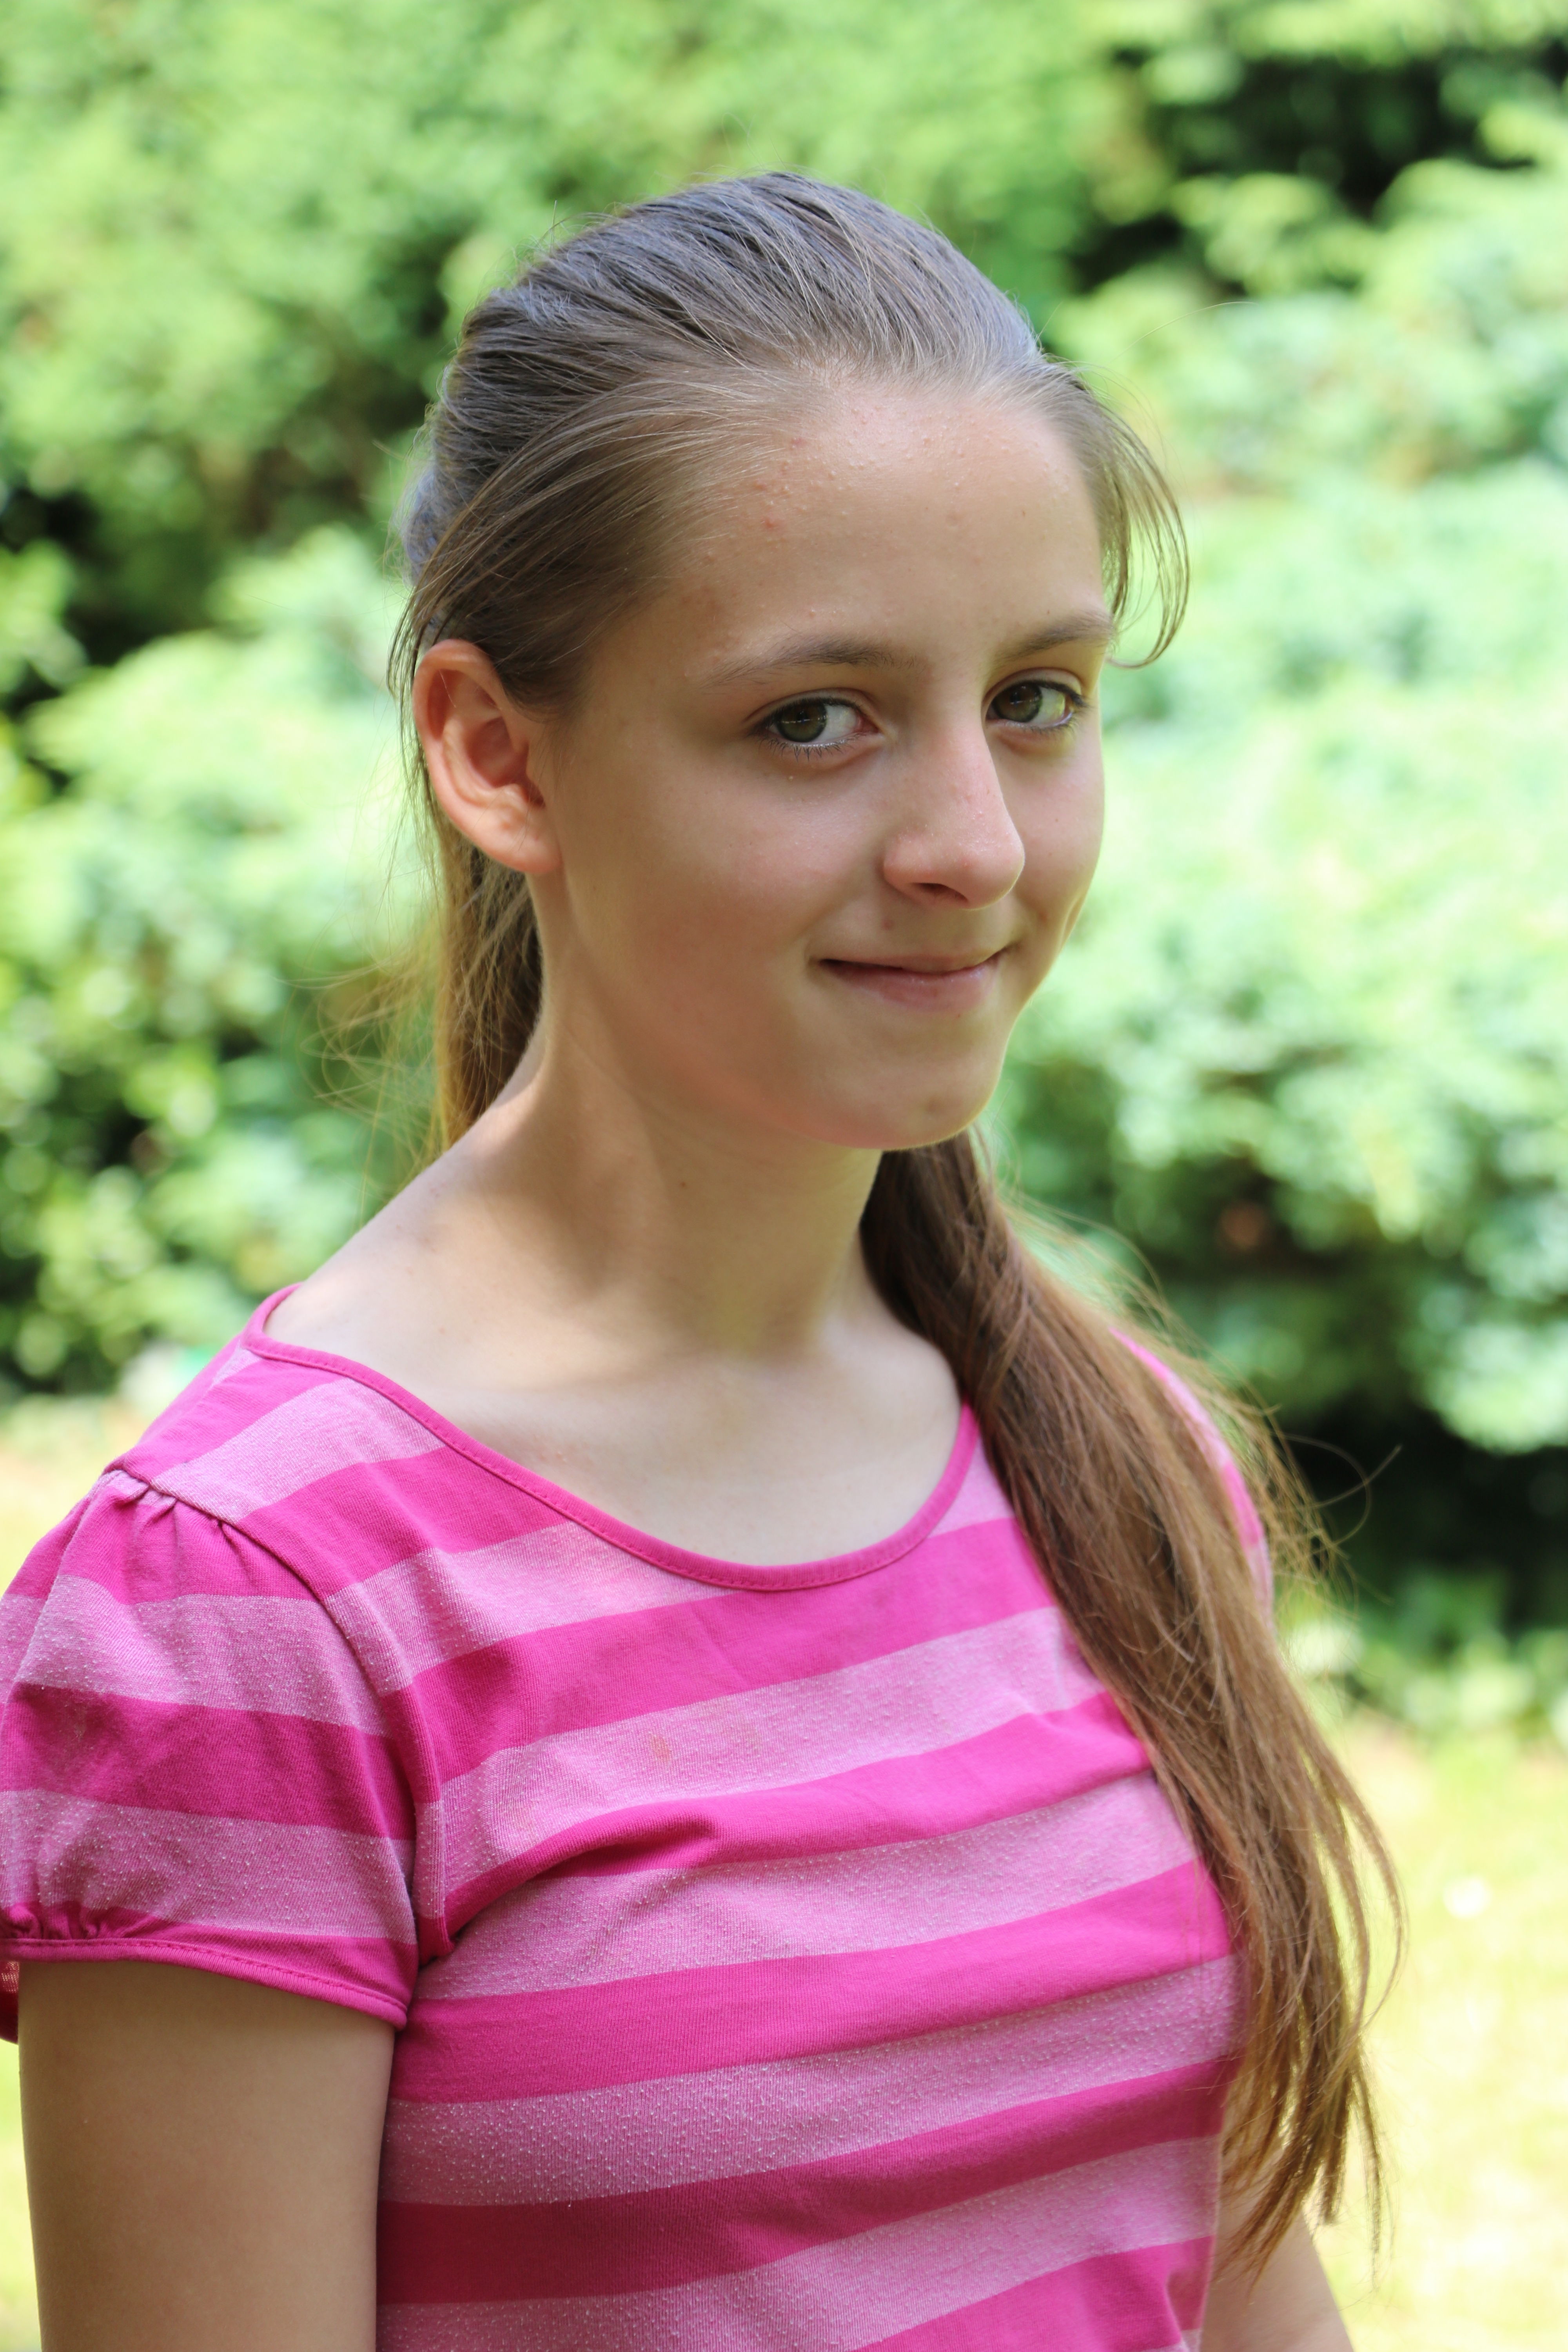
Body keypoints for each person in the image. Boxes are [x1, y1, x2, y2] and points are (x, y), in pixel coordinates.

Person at [1, 174, 1390, 2351]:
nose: (974, 845)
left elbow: (1227, 2281)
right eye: (815, 719)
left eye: (1037, 697)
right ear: (495, 754)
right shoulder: (251, 1611)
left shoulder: (1107, 1454)